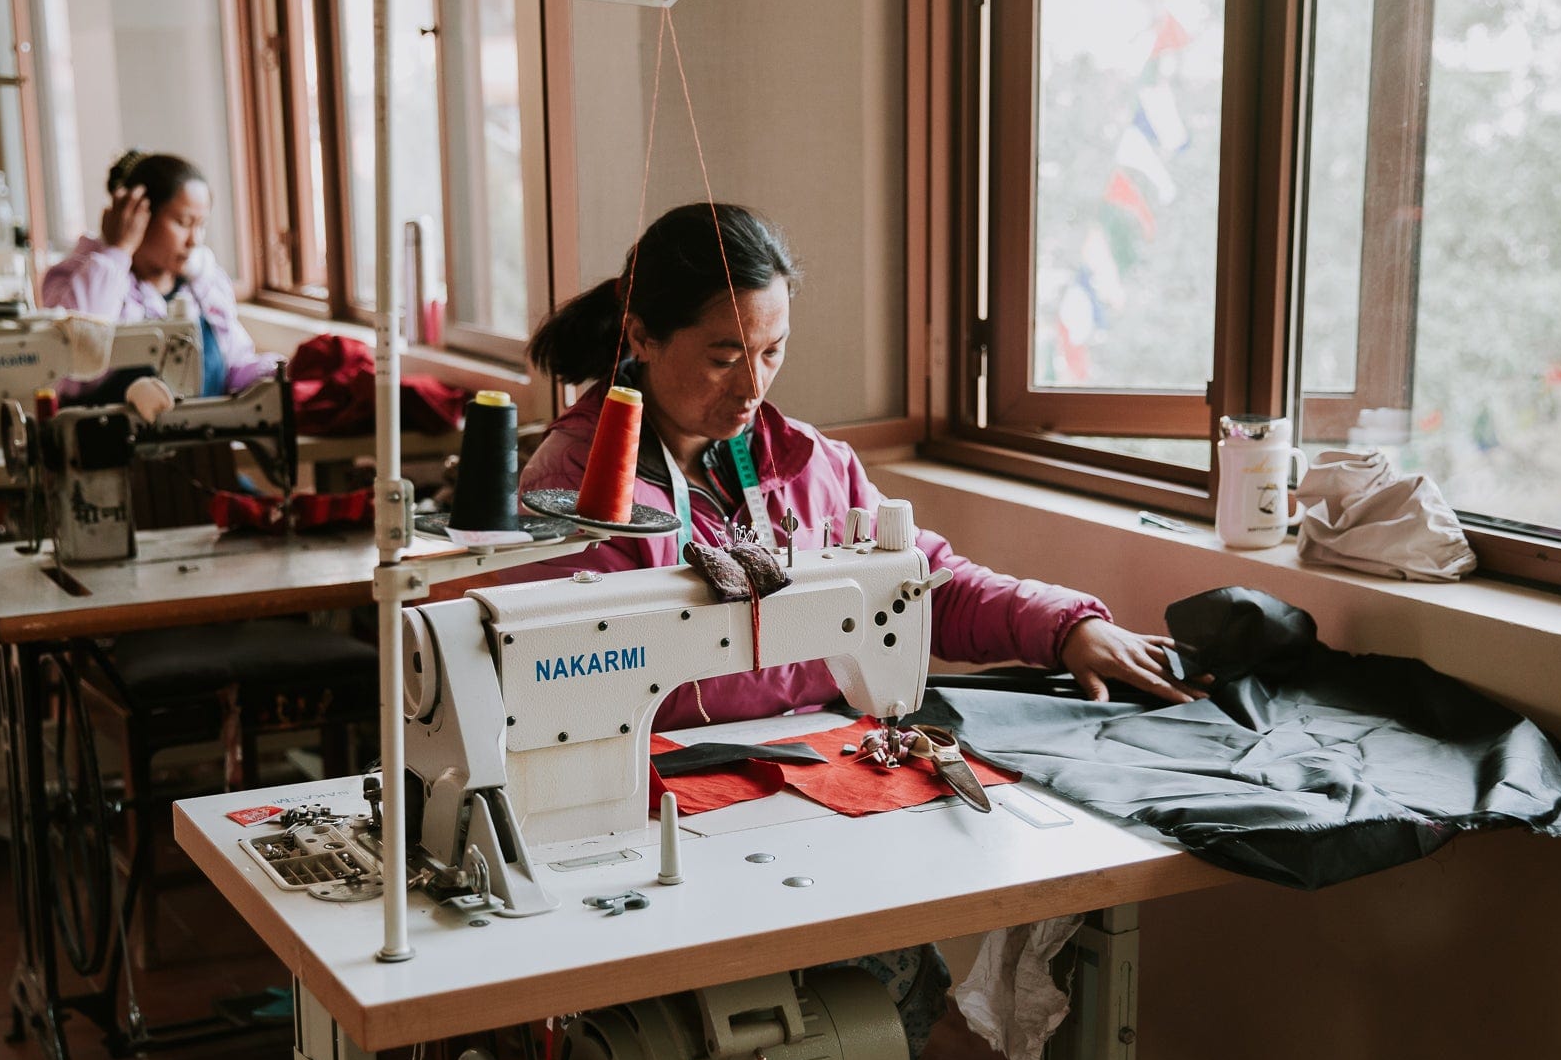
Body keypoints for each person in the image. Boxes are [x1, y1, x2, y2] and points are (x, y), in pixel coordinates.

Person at [515, 201, 1203, 731]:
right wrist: (836, 645)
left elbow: (922, 588)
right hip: (664, 793)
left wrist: (1066, 628)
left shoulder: (812, 463)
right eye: (725, 358)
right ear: (641, 336)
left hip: (804, 759)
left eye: (773, 351)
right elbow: (609, 679)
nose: (753, 386)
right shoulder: (572, 487)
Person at [41, 151, 279, 398]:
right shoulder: (81, 278)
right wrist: (118, 250)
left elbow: (235, 368)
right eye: (183, 223)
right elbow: (75, 355)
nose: (194, 240)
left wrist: (278, 372)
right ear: (139, 215)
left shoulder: (205, 287)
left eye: (201, 225)